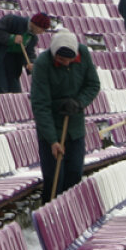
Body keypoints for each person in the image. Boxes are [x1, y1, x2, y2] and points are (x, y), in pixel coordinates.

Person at [30, 31, 101, 201]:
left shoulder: (83, 54)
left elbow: (93, 84)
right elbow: (40, 105)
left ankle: (69, 215)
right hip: (51, 127)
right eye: (62, 60)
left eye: (70, 59)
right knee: (54, 177)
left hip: (75, 126)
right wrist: (53, 141)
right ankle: (49, 216)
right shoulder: (42, 64)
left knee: (74, 173)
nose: (66, 63)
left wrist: (78, 102)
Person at [0, 12, 50, 94]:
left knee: (15, 89)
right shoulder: (13, 20)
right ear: (35, 24)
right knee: (1, 87)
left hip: (13, 60)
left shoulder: (33, 38)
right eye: (42, 29)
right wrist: (12, 38)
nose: (42, 32)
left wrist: (31, 64)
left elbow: (29, 53)